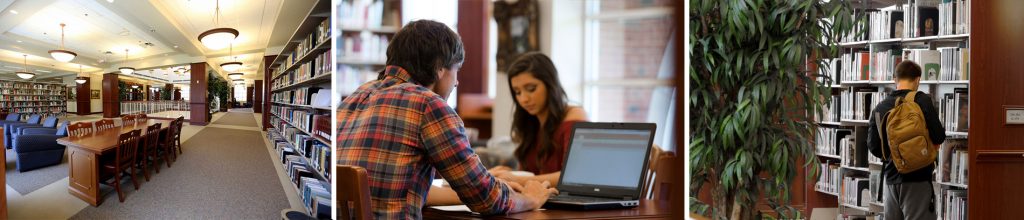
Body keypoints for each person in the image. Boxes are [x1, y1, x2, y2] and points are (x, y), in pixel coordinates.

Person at [337, 20, 557, 219]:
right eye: (457, 70)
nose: (457, 82)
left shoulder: (354, 98)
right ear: (440, 68)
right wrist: (531, 198)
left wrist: (486, 181)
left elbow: (403, 184)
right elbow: (485, 199)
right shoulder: (428, 104)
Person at [489, 52, 588, 185]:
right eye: (517, 92)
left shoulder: (575, 117)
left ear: (550, 85)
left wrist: (519, 179)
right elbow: (532, 172)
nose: (523, 99)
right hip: (539, 200)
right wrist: (509, 173)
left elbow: (574, 176)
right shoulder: (531, 121)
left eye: (531, 88)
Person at [867, 61, 945, 220]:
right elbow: (938, 135)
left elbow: (874, 146)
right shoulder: (921, 100)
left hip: (891, 177)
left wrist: (895, 157)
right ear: (917, 79)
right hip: (918, 178)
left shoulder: (880, 107)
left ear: (895, 79)